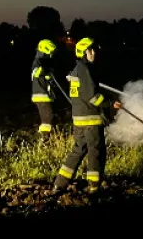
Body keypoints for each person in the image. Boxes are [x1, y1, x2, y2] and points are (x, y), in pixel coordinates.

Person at [53, 37, 122, 193]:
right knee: (95, 151)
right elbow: (93, 97)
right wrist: (111, 104)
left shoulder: (77, 69)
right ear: (84, 52)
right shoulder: (85, 69)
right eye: (91, 50)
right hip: (90, 119)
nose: (94, 53)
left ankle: (60, 183)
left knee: (78, 150)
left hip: (79, 118)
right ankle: (94, 186)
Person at [31, 39, 58, 134]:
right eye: (50, 53)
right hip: (41, 95)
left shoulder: (43, 62)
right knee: (48, 118)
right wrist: (45, 71)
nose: (52, 55)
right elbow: (36, 72)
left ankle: (49, 136)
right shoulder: (38, 62)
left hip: (45, 95)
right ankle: (45, 138)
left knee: (49, 116)